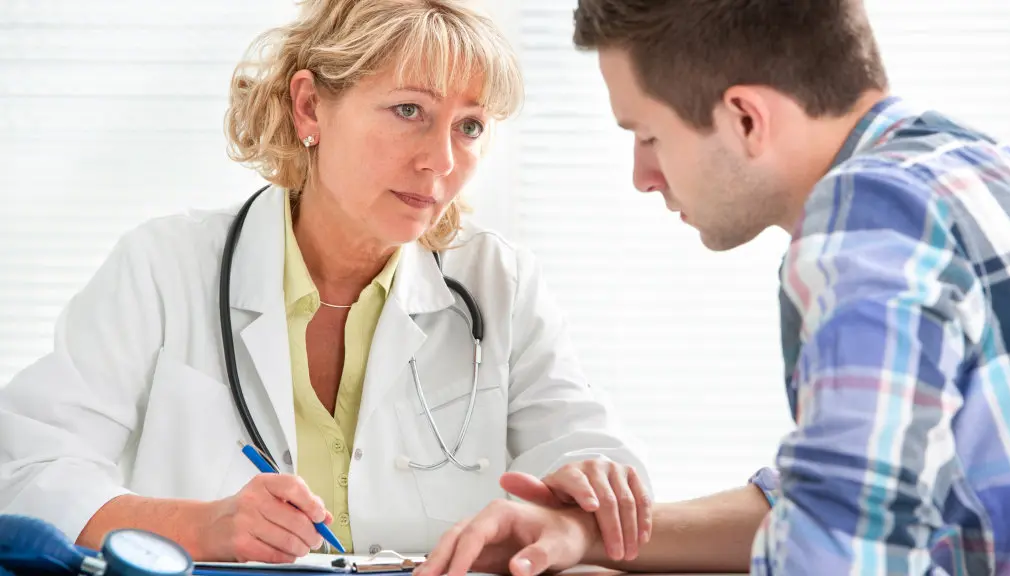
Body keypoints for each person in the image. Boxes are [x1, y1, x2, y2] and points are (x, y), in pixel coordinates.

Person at [0, 0, 653, 564]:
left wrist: (593, 484)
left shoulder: (498, 285)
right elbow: (26, 474)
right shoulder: (164, 267)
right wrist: (203, 527)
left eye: (470, 126)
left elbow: (589, 455)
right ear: (310, 106)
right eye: (409, 110)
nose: (441, 160)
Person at [413, 0, 1010, 574]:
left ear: (745, 118)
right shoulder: (979, 167)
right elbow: (835, 499)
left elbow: (841, 553)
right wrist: (583, 533)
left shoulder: (866, 229)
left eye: (648, 135)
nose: (642, 176)